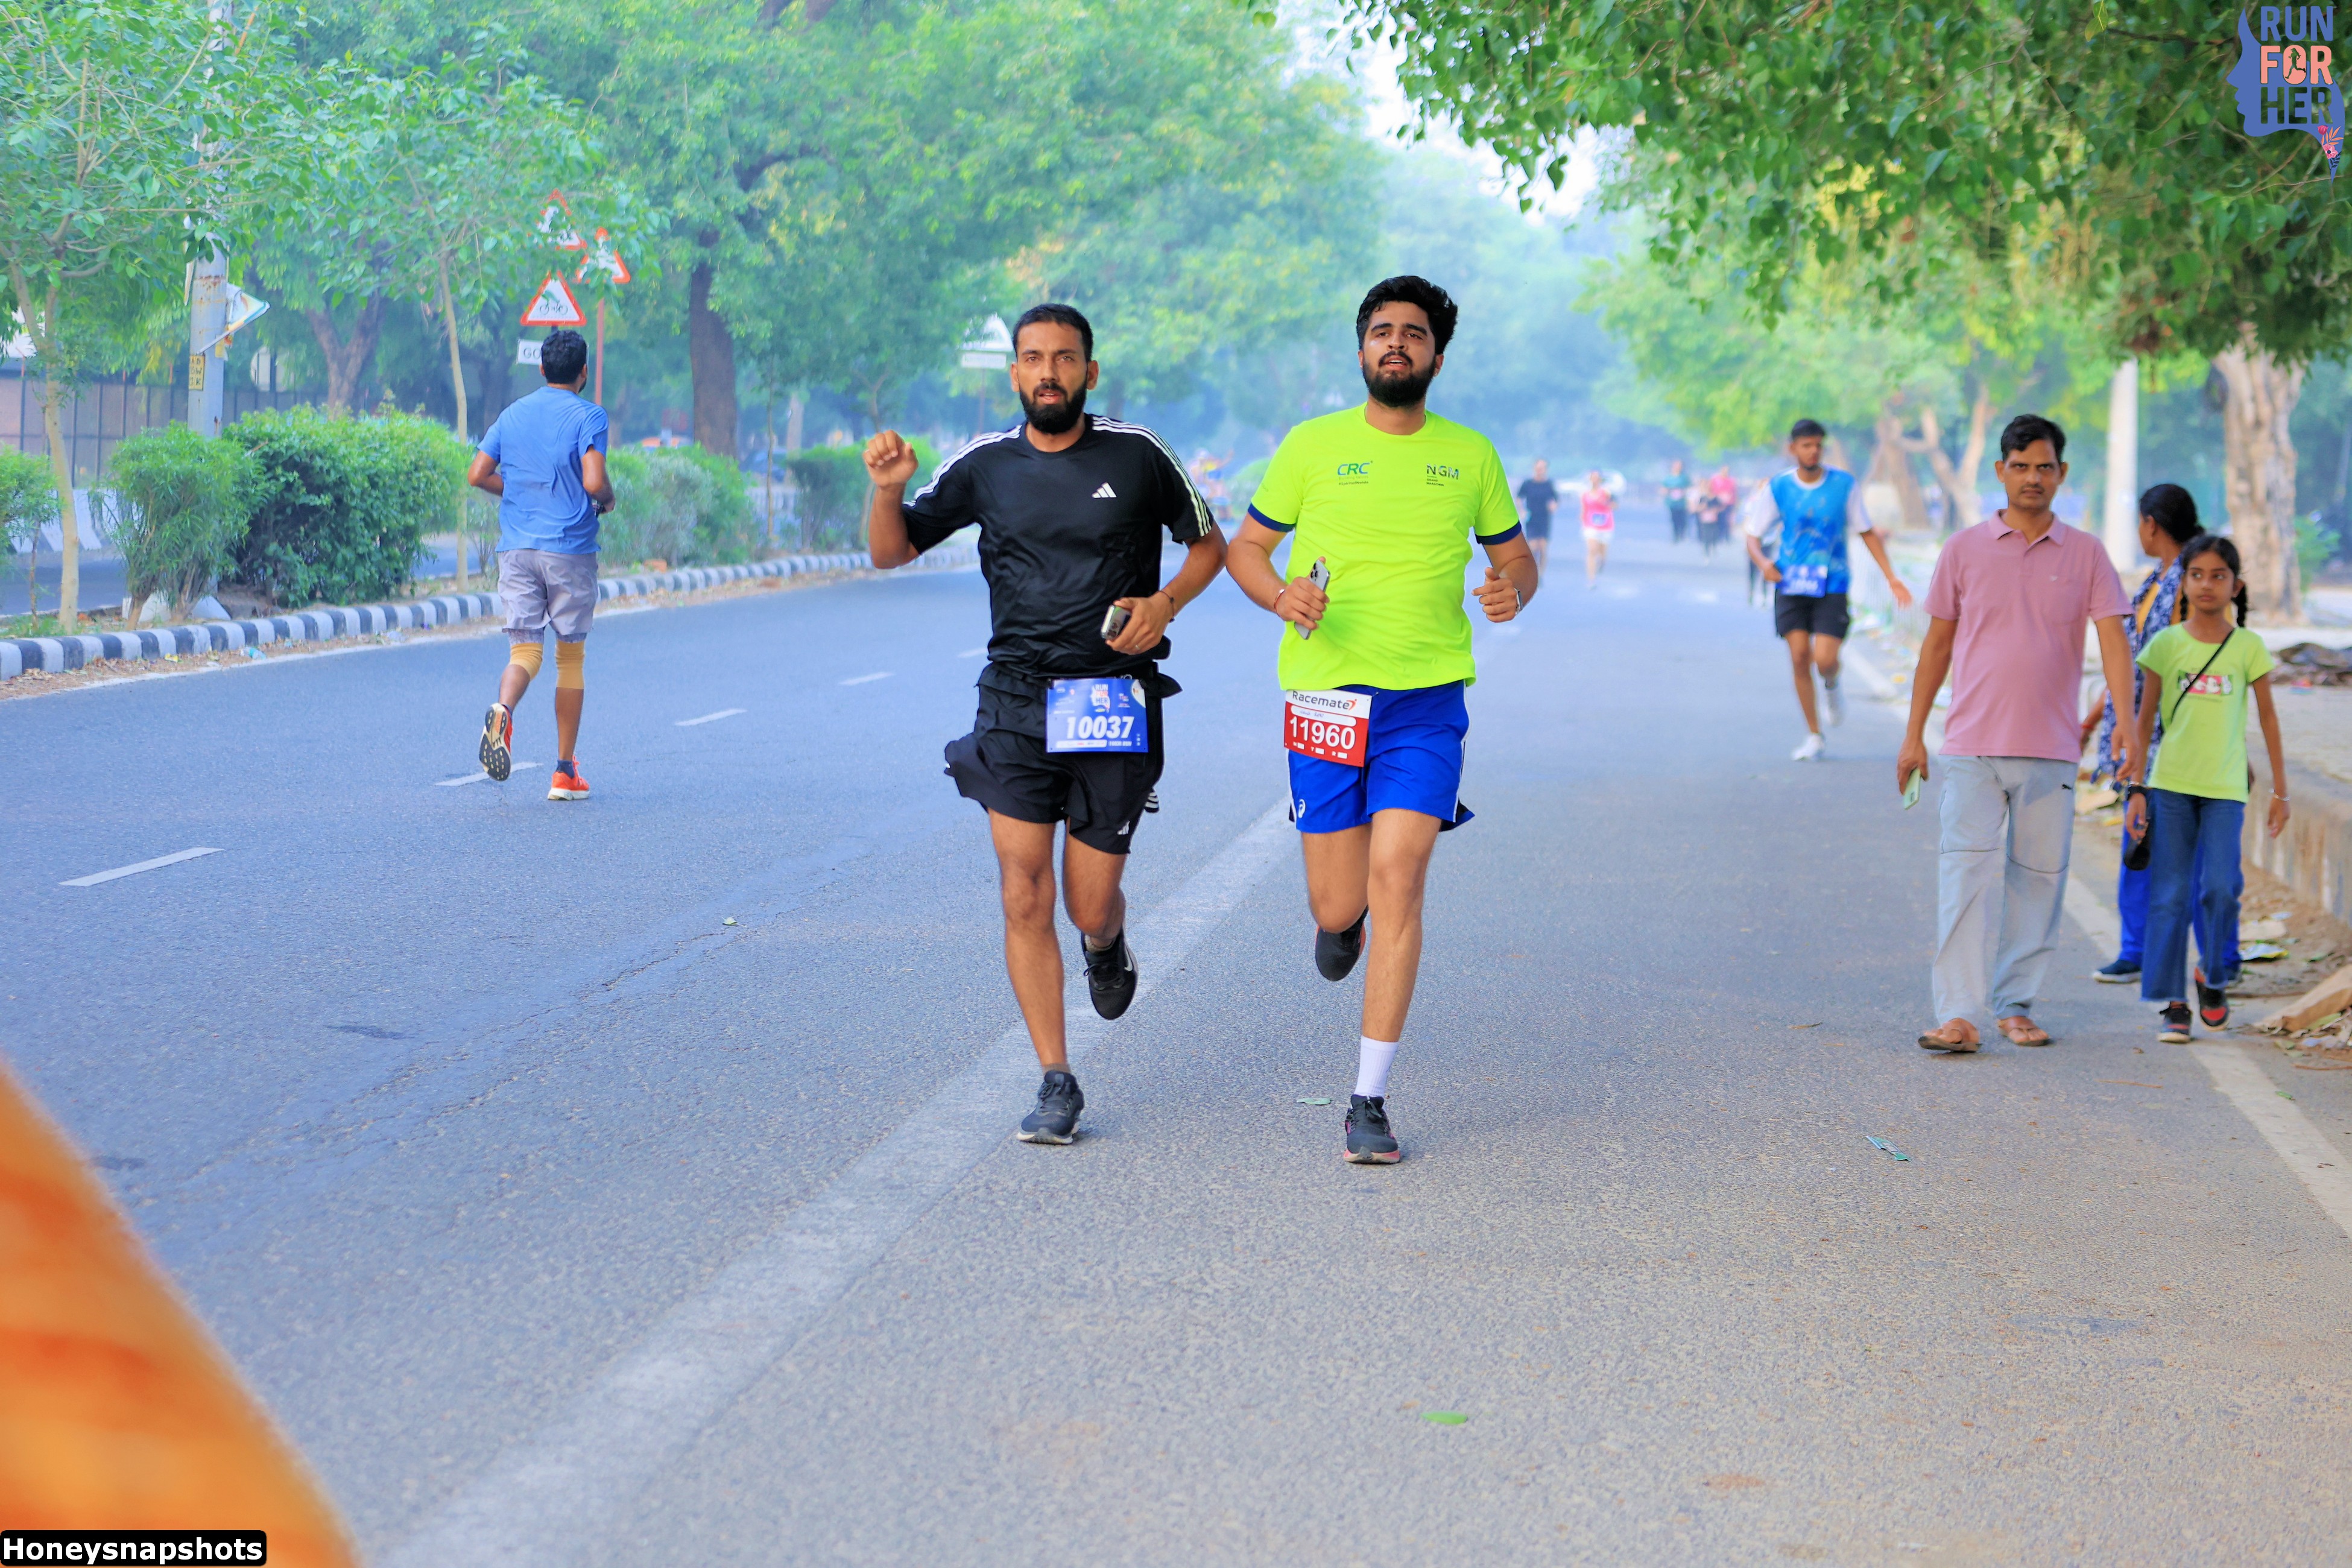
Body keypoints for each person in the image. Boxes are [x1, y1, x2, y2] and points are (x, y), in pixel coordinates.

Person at [862, 303, 1225, 1145]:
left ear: (1089, 372)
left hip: (1111, 699)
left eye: (1065, 358)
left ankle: (1106, 942)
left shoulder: (1138, 454)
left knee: (1087, 903)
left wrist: (1164, 602)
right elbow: (891, 551)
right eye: (1033, 358)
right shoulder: (984, 464)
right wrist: (886, 490)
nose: (1049, 372)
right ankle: (1057, 1078)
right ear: (1015, 373)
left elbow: (1208, 544)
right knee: (1024, 889)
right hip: (1016, 700)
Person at [1225, 274, 1537, 1165]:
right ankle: (1341, 922)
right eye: (1381, 331)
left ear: (1437, 355)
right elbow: (1249, 548)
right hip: (1326, 696)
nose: (1395, 342)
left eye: (1413, 332)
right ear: (1362, 349)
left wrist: (1513, 588)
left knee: (1400, 873)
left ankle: (1369, 1097)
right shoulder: (1312, 445)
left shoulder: (1470, 455)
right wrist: (1279, 594)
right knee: (1339, 900)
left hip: (1426, 702)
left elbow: (1517, 557)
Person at [1900, 414, 2137, 1054]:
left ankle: (2015, 1004)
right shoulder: (1963, 549)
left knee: (2038, 881)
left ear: (2062, 474)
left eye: (2045, 467)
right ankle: (1957, 1014)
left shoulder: (2087, 553)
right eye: (2022, 466)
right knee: (1963, 880)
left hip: (2051, 748)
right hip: (1971, 745)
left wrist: (2127, 725)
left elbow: (2114, 642)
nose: (2033, 477)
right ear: (2001, 471)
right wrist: (1914, 734)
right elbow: (1936, 645)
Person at [2123, 534, 2290, 1042]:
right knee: (2170, 895)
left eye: (2219, 576)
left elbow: (2268, 718)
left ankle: (2212, 976)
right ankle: (2174, 1004)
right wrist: (2136, 788)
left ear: (2235, 586)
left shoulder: (2248, 648)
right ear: (2184, 584)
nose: (2207, 585)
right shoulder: (2166, 645)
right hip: (2171, 784)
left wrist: (2281, 793)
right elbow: (2144, 721)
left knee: (2220, 888)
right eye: (2197, 575)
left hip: (2225, 789)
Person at [2081, 484, 2217, 988]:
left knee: (2191, 853)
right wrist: (2095, 719)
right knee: (2140, 841)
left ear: (2151, 524)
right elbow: (2131, 663)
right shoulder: (2155, 582)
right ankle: (2136, 950)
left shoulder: (2193, 581)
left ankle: (2215, 957)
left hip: (2175, 737)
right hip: (2141, 738)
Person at [469, 327, 613, 801]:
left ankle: (503, 711)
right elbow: (593, 481)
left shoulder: (513, 414)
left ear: (542, 368)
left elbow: (477, 474)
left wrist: (518, 493)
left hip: (517, 549)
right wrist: (608, 499)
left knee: (525, 653)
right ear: (584, 372)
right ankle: (564, 773)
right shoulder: (589, 415)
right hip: (568, 549)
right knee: (569, 656)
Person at [1741, 418, 1915, 761]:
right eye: (1806, 445)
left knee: (1825, 659)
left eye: (1818, 445)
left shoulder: (1844, 486)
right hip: (1791, 583)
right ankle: (1814, 734)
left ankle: (1832, 684)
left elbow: (1866, 531)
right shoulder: (1779, 487)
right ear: (1793, 449)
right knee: (1799, 656)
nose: (1813, 451)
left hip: (1832, 584)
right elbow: (1753, 536)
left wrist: (1891, 577)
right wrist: (1764, 564)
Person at [1517, 460, 1560, 572]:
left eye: (1543, 468)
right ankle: (1533, 571)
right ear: (1534, 469)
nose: (1540, 471)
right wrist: (1522, 511)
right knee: (1533, 547)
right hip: (1531, 518)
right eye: (1538, 468)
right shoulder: (1528, 483)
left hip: (1544, 519)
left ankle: (1541, 573)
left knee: (1543, 548)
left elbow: (1556, 499)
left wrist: (1554, 506)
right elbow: (1519, 497)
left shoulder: (1549, 484)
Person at [1578, 469, 1615, 586]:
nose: (1595, 480)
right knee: (1592, 550)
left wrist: (1605, 502)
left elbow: (1615, 505)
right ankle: (1591, 579)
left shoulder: (1606, 492)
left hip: (1606, 526)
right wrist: (1582, 519)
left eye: (1597, 478)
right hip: (1591, 526)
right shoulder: (1585, 494)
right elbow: (1583, 508)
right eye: (1593, 477)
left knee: (1602, 552)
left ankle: (1602, 562)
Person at [1664, 459, 1692, 545]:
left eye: (1680, 466)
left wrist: (1685, 493)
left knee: (1683, 520)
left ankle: (1682, 534)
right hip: (1672, 503)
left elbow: (1690, 488)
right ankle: (1676, 535)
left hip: (1683, 503)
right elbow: (1663, 488)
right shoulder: (1669, 478)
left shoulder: (1684, 478)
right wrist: (1668, 491)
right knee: (1674, 520)